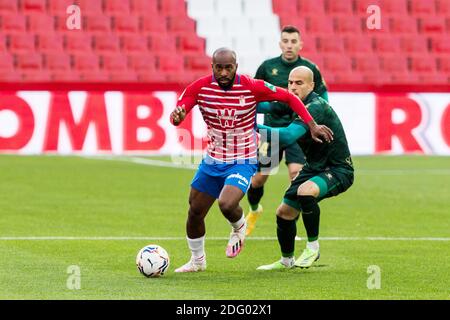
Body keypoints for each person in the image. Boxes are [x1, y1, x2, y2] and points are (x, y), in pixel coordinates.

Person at [170, 48, 334, 273]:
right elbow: (179, 113)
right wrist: (176, 117)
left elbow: (288, 96)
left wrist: (312, 124)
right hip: (213, 159)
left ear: (236, 66)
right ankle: (197, 261)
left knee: (227, 204)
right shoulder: (199, 88)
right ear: (212, 67)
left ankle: (239, 226)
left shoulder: (251, 86)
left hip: (243, 158)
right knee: (195, 211)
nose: (224, 72)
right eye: (220, 67)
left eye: (229, 67)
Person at [256, 66, 354, 270]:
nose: (292, 87)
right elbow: (262, 107)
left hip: (337, 169)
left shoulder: (315, 106)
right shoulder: (291, 102)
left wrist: (251, 128)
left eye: (299, 83)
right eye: (290, 82)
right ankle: (286, 261)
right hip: (313, 167)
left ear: (312, 85)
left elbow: (288, 136)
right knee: (284, 212)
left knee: (305, 192)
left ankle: (312, 247)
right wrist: (234, 106)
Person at [246, 25, 329, 236]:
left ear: (300, 44)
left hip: (297, 130)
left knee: (296, 175)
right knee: (258, 179)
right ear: (280, 44)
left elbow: (322, 98)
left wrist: (318, 120)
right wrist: (254, 119)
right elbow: (253, 97)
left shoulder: (310, 69)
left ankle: (291, 219)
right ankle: (255, 210)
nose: (289, 45)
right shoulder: (267, 67)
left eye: (294, 41)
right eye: (286, 41)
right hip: (272, 130)